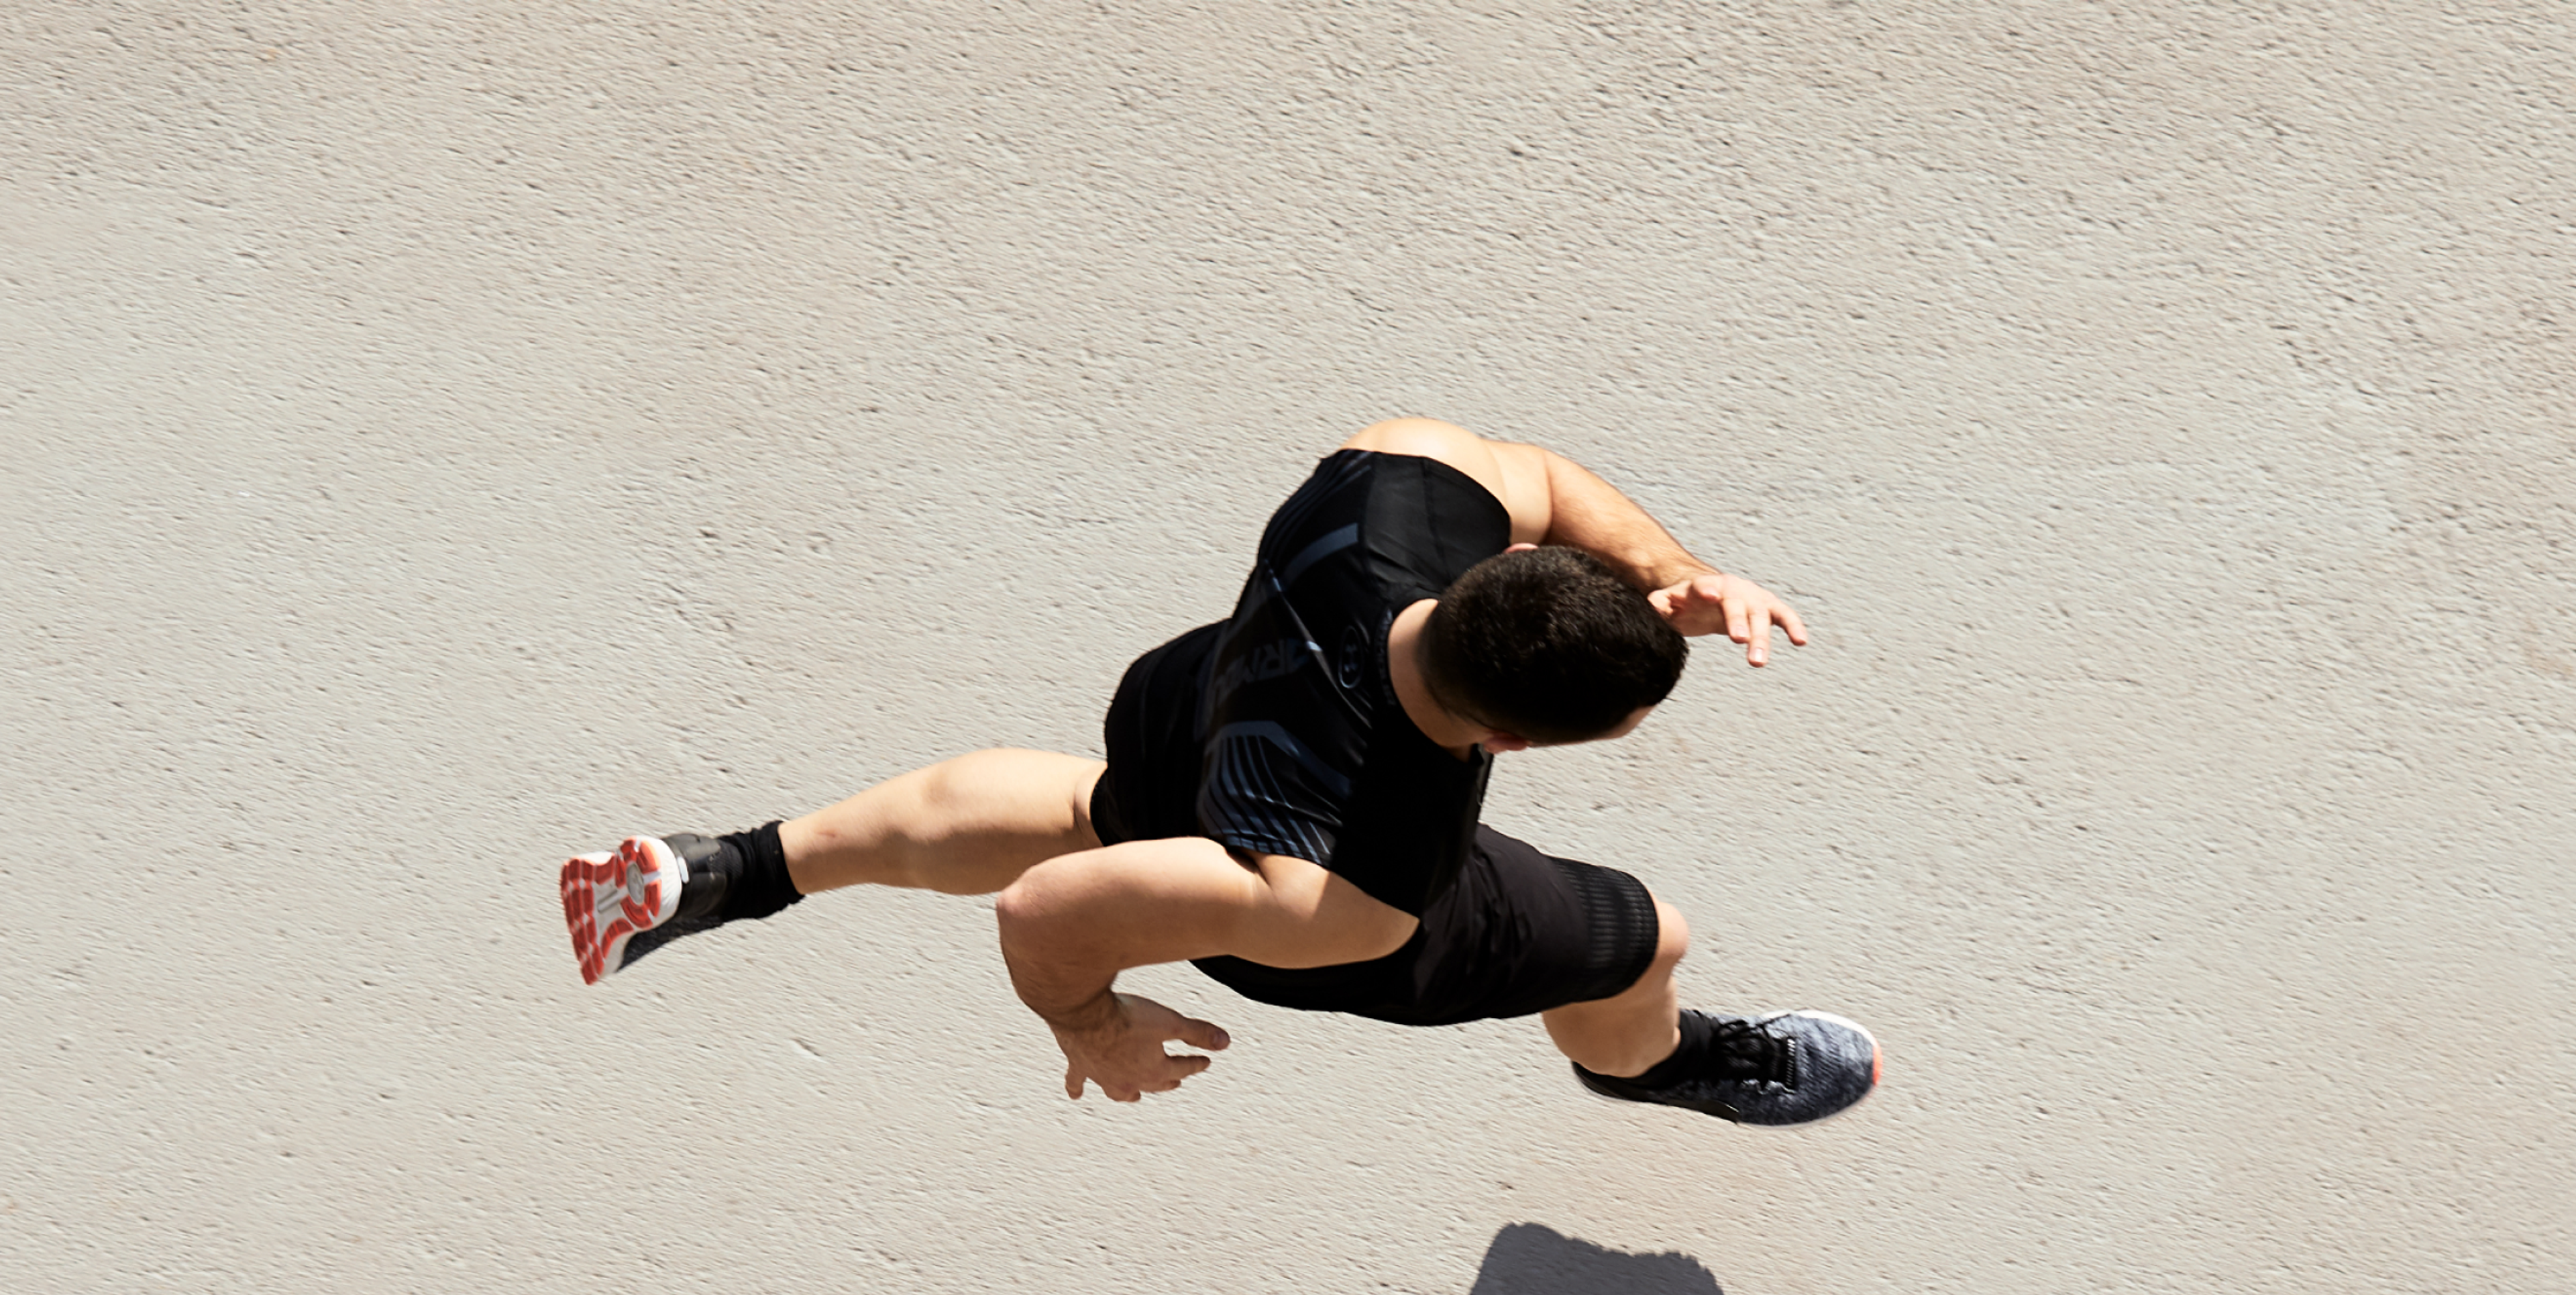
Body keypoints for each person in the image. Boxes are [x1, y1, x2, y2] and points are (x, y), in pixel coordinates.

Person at [560, 418, 1878, 1125]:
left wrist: (1666, 584)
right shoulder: (1357, 884)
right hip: (1296, 885)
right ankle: (1647, 1064)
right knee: (1646, 935)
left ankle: (720, 872)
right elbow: (1043, 915)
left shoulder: (1401, 485)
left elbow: (1532, 472)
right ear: (1510, 743)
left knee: (1096, 812)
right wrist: (1093, 1025)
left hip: (1201, 711)